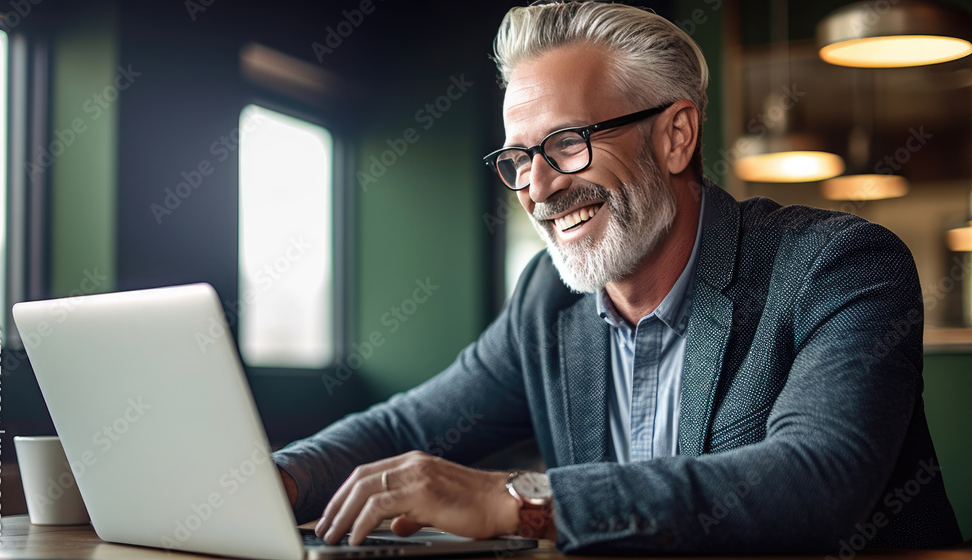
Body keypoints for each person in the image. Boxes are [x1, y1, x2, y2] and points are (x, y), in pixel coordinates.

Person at [273, 1, 963, 553]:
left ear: (675, 136)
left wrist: (516, 502)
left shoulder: (839, 266)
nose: (538, 188)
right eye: (518, 159)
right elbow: (408, 425)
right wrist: (277, 478)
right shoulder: (547, 299)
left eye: (567, 143)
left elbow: (818, 482)